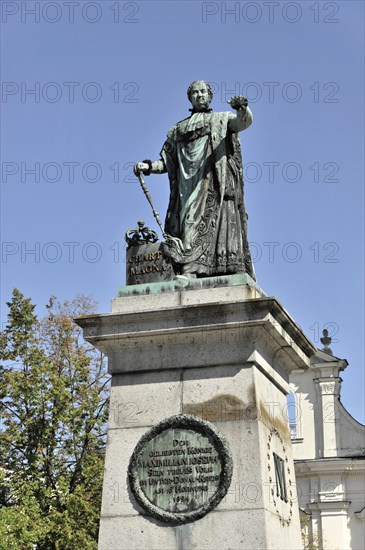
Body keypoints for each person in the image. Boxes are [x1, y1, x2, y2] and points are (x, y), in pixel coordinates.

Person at [134, 80, 255, 279]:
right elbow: (166, 162)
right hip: (187, 188)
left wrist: (242, 108)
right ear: (190, 98)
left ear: (210, 96)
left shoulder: (221, 119)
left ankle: (193, 271)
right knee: (188, 224)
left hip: (214, 185)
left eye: (203, 92)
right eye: (195, 93)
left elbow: (243, 123)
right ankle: (188, 269)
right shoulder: (177, 130)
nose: (199, 96)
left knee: (211, 226)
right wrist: (147, 167)